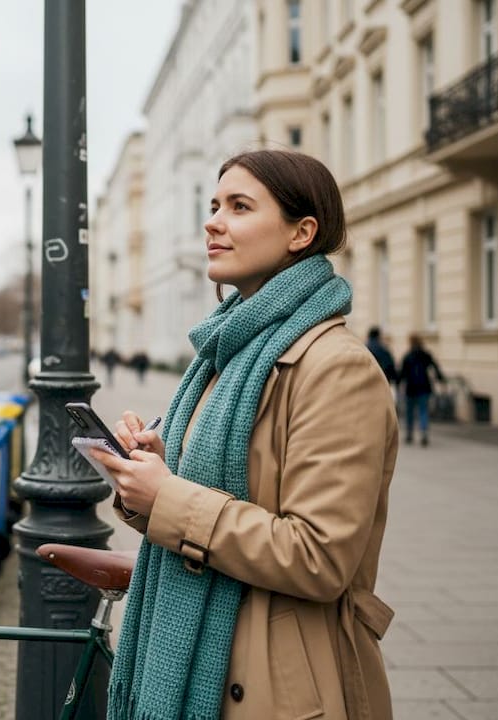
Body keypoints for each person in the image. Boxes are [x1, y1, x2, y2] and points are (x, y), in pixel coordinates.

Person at [88, 150, 396, 719]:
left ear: (302, 233)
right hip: (219, 651)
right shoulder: (225, 355)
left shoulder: (335, 368)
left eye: (239, 206)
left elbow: (319, 557)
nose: (213, 221)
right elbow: (218, 497)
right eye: (213, 205)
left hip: (279, 685)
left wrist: (169, 497)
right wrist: (152, 473)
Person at [398, 333, 444, 446]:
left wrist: (398, 383)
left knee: (409, 412)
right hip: (424, 387)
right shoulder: (426, 354)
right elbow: (434, 366)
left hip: (411, 388)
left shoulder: (408, 356)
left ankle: (409, 434)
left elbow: (402, 373)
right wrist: (440, 379)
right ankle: (423, 433)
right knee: (423, 411)